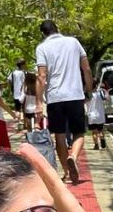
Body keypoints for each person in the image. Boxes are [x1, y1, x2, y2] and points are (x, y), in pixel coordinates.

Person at [36, 19, 91, 184]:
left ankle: (67, 173)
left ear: (43, 34)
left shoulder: (42, 48)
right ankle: (73, 156)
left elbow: (42, 76)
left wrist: (39, 102)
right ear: (57, 28)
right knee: (79, 133)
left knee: (59, 136)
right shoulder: (74, 42)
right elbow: (86, 68)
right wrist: (89, 89)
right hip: (75, 95)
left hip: (55, 98)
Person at [87, 84, 108, 151]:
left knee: (94, 132)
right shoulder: (100, 93)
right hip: (100, 116)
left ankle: (96, 145)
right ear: (96, 86)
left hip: (91, 116)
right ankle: (102, 142)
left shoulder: (88, 94)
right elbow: (107, 99)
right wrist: (105, 91)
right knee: (100, 130)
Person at [9, 59, 27, 127]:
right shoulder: (23, 73)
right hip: (23, 93)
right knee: (24, 108)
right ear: (22, 65)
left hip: (15, 93)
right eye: (24, 64)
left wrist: (12, 88)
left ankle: (19, 123)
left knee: (17, 109)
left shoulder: (13, 72)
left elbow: (9, 80)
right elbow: (24, 82)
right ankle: (25, 123)